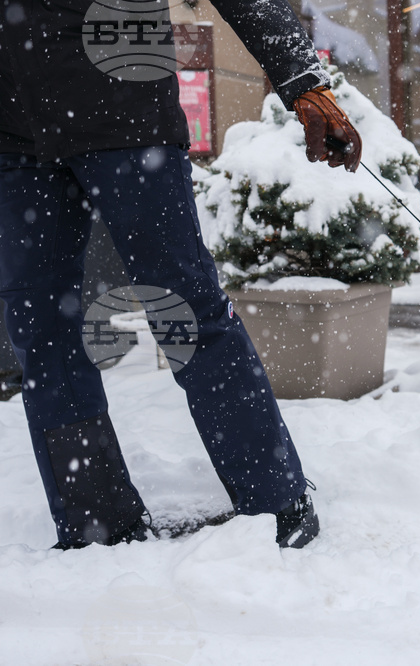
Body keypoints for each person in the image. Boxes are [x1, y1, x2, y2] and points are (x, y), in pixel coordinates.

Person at [0, 0, 361, 549]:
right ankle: (94, 522)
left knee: (186, 311)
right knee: (41, 332)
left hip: (126, 99)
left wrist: (303, 77)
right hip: (14, 134)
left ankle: (273, 498)